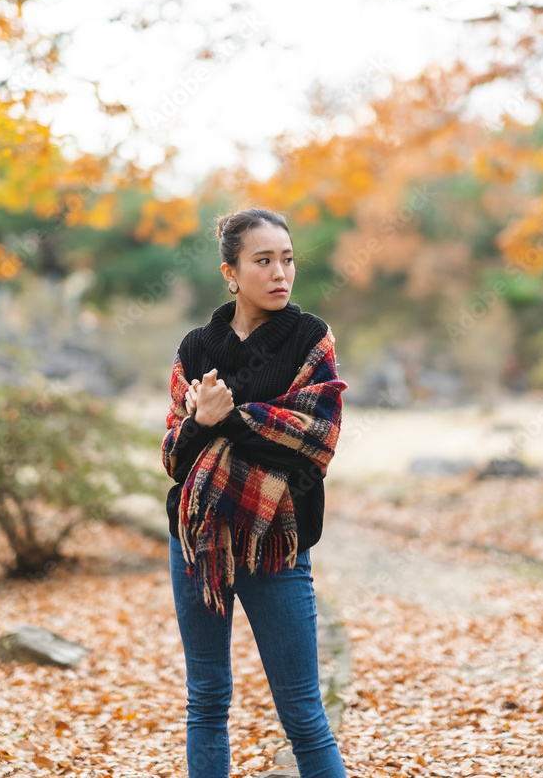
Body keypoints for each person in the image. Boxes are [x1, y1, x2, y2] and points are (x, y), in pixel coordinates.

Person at [161, 206, 349, 778]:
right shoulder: (196, 347)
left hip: (277, 543)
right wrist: (200, 422)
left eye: (287, 259)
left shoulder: (310, 338)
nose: (279, 273)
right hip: (197, 541)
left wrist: (226, 418)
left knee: (304, 715)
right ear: (231, 272)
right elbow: (173, 456)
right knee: (206, 702)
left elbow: (314, 440)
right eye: (263, 261)